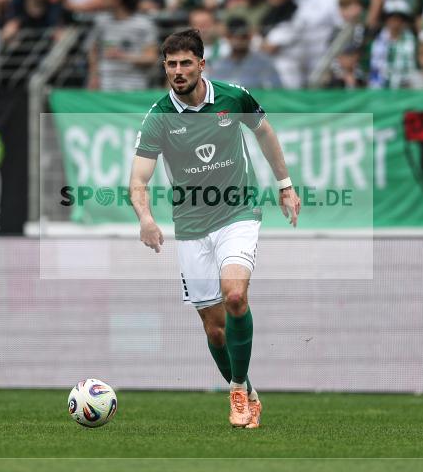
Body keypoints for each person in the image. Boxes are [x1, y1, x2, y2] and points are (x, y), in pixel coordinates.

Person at [129, 28, 301, 428]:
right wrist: (146, 218)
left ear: (202, 64)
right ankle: (249, 392)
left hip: (238, 214)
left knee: (235, 296)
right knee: (216, 331)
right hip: (191, 227)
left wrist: (285, 184)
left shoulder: (233, 97)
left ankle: (236, 389)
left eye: (185, 63)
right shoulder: (158, 118)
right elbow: (138, 179)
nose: (178, 71)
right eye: (171, 64)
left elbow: (264, 132)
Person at [86, 0, 159, 91]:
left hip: (134, 86)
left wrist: (123, 56)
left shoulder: (144, 24)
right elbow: (93, 51)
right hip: (104, 85)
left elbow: (151, 58)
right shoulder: (100, 22)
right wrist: (93, 77)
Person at [210, 17, 282, 89]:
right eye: (233, 36)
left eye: (243, 36)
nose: (238, 40)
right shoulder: (219, 65)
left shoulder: (264, 63)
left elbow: (276, 89)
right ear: (227, 37)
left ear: (250, 36)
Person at [368, 0, 416, 89]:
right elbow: (374, 70)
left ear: (404, 20)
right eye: (391, 17)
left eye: (398, 18)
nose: (395, 21)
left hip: (405, 91)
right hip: (381, 91)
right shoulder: (377, 41)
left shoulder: (413, 41)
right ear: (386, 19)